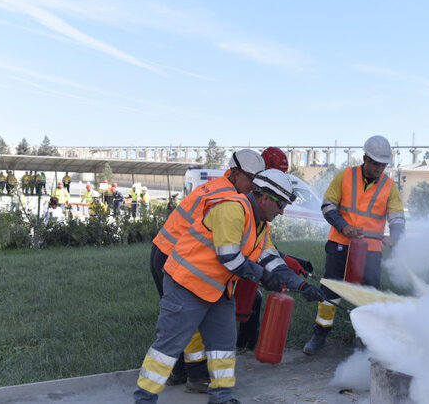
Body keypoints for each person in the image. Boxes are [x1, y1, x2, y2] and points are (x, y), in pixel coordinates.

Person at [134, 169, 325, 404]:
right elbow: (230, 257)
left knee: (223, 347)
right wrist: (263, 278)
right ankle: (144, 399)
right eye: (281, 205)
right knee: (168, 348)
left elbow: (271, 259)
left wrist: (303, 285)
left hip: (218, 291)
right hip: (186, 285)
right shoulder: (232, 209)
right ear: (265, 198)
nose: (282, 211)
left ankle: (222, 398)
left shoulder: (262, 225)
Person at [148, 149, 265, 391]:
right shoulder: (225, 198)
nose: (254, 186)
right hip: (176, 257)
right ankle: (193, 376)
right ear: (235, 173)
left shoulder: (223, 187)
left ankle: (180, 374)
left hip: (168, 251)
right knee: (186, 319)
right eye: (251, 179)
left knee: (183, 319)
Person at [303, 135, 406, 355]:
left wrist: (395, 236)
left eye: (383, 164)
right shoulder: (345, 177)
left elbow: (397, 216)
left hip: (371, 250)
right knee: (330, 291)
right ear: (365, 159)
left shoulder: (389, 186)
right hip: (340, 243)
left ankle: (364, 340)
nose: (379, 168)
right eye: (376, 163)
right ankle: (319, 335)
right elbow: (328, 206)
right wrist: (343, 227)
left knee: (367, 295)